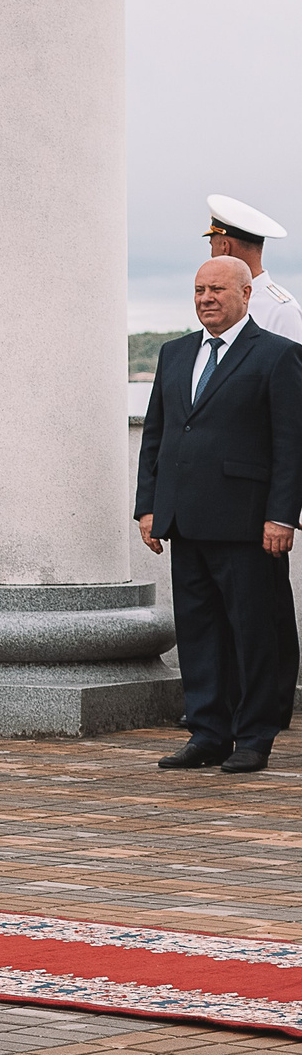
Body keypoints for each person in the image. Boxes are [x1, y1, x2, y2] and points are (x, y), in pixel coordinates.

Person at [137, 257, 302, 773]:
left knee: (255, 632)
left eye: (217, 289)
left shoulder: (279, 357)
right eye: (199, 289)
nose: (206, 298)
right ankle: (208, 731)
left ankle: (254, 736)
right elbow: (157, 436)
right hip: (184, 521)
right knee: (199, 630)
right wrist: (148, 505)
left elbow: (291, 444)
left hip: (249, 525)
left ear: (246, 294)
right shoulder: (174, 353)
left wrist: (282, 516)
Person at [207, 197, 302, 343]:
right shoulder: (216, 300)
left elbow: (291, 364)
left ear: (225, 247)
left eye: (212, 246)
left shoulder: (282, 310)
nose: (211, 255)